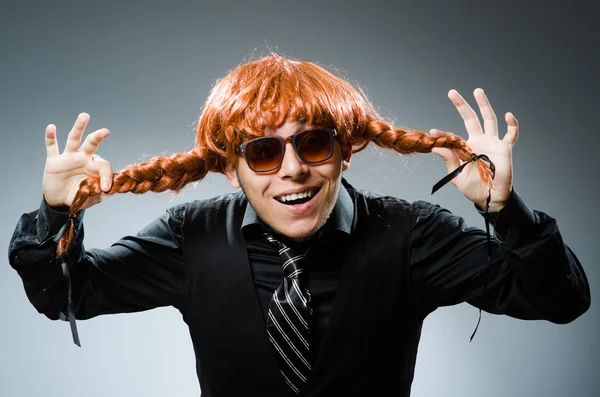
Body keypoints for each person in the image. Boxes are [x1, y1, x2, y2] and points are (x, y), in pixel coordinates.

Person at [8, 54, 590, 397]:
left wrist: (503, 211)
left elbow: (561, 300)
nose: (293, 170)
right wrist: (56, 213)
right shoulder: (192, 236)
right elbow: (67, 294)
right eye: (262, 152)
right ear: (231, 170)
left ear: (345, 153)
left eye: (313, 143)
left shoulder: (411, 234)